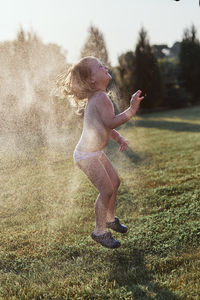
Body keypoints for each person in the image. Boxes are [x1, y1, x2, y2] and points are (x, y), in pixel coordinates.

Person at [56, 56, 144, 249]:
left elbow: (103, 127)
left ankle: (110, 219)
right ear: (91, 80)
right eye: (99, 67)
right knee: (107, 189)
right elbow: (110, 122)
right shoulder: (100, 98)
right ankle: (99, 231)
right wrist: (131, 109)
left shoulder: (98, 98)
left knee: (115, 182)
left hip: (94, 153)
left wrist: (118, 138)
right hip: (87, 155)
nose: (104, 66)